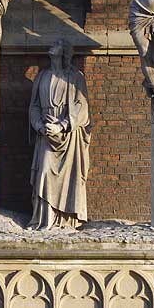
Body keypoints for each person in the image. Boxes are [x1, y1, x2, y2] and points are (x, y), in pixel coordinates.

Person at [28, 39, 91, 230]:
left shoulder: (75, 77)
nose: (51, 45)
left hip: (68, 136)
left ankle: (65, 219)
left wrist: (62, 125)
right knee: (45, 173)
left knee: (69, 178)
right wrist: (39, 126)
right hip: (46, 133)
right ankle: (45, 220)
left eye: (56, 44)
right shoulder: (42, 77)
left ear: (63, 51)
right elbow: (35, 105)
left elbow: (82, 106)